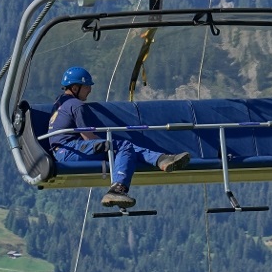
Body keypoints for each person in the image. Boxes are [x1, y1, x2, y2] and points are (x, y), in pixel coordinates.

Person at [47, 66, 192, 208]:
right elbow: (88, 138)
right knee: (123, 146)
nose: (90, 90)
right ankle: (117, 189)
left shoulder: (60, 102)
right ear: (75, 88)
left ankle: (161, 159)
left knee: (125, 148)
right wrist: (107, 146)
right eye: (86, 86)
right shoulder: (77, 105)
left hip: (64, 150)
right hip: (71, 150)